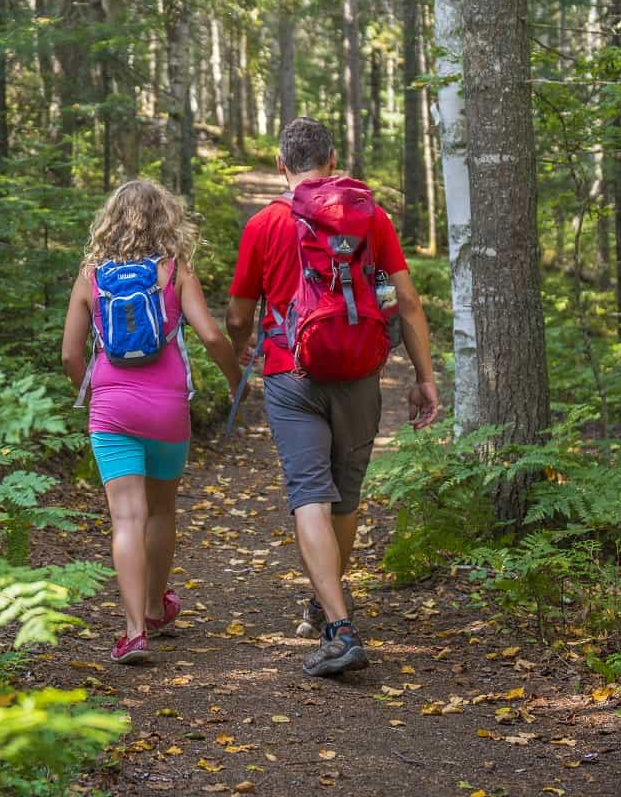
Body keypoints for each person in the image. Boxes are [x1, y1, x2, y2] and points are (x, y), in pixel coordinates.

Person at [226, 117, 442, 677]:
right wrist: (424, 377)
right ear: (333, 158)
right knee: (344, 497)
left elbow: (236, 314)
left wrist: (242, 346)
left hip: (291, 372)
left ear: (281, 166)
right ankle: (327, 604)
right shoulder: (370, 217)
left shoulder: (265, 223)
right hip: (360, 374)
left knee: (308, 496)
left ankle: (337, 626)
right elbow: (409, 302)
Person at [62, 179, 242, 666]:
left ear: (109, 220)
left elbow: (69, 354)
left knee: (126, 517)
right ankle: (155, 608)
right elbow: (209, 333)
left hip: (111, 410)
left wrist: (95, 390)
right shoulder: (175, 271)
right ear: (168, 220)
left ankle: (133, 631)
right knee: (161, 511)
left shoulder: (91, 275)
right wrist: (235, 379)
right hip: (167, 410)